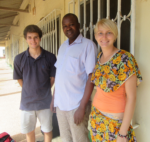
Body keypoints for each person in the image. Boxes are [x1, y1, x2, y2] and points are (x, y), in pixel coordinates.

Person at [90, 19, 143, 142]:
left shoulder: (125, 59)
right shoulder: (99, 57)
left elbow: (132, 98)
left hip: (115, 123)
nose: (104, 37)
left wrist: (123, 133)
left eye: (109, 32)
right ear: (95, 36)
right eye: (100, 33)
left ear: (115, 35)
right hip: (96, 118)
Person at [50, 13, 97, 142]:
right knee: (65, 139)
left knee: (79, 139)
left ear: (79, 26)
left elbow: (91, 78)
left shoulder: (88, 46)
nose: (68, 28)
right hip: (61, 105)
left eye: (71, 24)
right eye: (65, 26)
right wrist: (54, 99)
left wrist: (82, 107)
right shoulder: (63, 46)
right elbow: (59, 75)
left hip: (76, 105)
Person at [13, 25, 56, 142]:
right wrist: (29, 89)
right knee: (29, 131)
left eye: (36, 37)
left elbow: (52, 78)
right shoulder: (19, 59)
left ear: (40, 38)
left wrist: (43, 89)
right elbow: (19, 79)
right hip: (27, 103)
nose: (33, 40)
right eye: (30, 37)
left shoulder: (50, 57)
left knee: (47, 130)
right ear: (26, 39)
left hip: (45, 102)